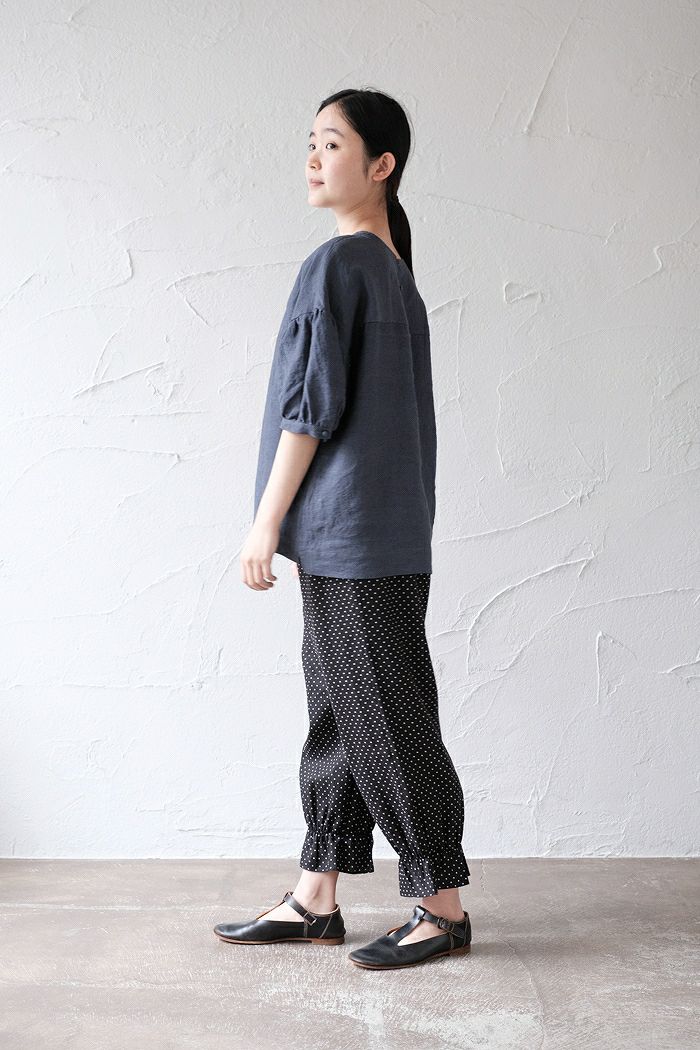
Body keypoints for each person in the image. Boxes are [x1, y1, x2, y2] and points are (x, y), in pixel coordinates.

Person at [213, 88, 472, 970]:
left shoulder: (342, 265)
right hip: (366, 536)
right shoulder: (393, 270)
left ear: (382, 165)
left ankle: (441, 907)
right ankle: (315, 896)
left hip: (355, 538)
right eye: (311, 142)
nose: (314, 158)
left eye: (332, 143)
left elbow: (309, 411)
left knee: (386, 718)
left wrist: (264, 524)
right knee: (340, 714)